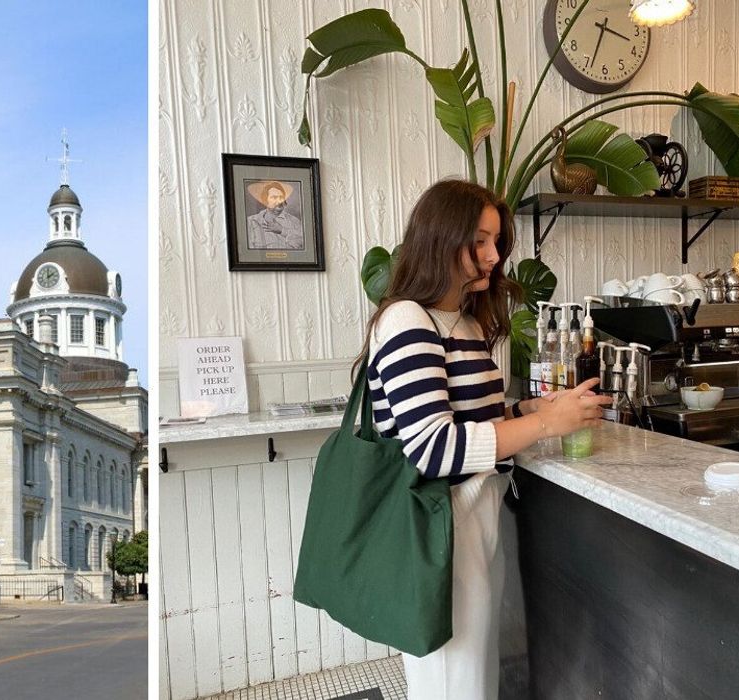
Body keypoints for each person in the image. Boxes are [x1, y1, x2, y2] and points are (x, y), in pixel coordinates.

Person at [361, 179, 610, 700]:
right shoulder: (409, 319)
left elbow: (474, 419)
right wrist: (545, 426)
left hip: (477, 513)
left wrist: (529, 410)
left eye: (497, 241)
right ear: (439, 238)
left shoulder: (464, 322)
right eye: (478, 241)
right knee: (454, 682)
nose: (494, 256)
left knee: (472, 675)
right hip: (439, 524)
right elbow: (432, 449)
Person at [246, 181, 304, 250]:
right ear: (265, 200)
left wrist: (282, 230)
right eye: (274, 197)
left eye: (281, 197)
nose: (279, 201)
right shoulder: (251, 221)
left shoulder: (294, 221)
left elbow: (303, 244)